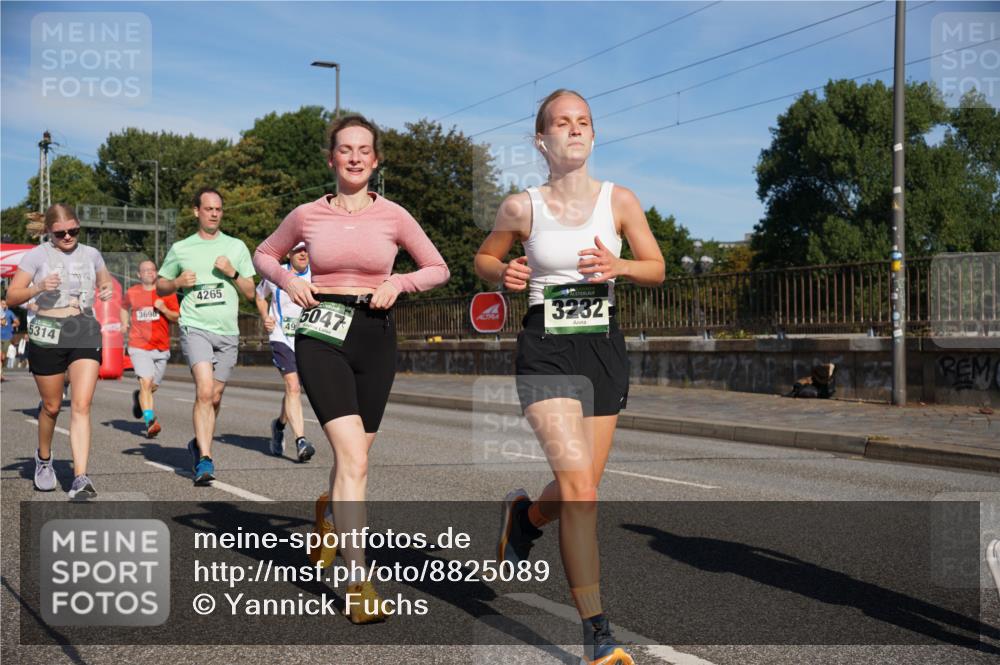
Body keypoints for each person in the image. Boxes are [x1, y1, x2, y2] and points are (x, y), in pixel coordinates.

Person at [474, 89, 665, 665]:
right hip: (546, 351)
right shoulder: (522, 206)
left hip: (603, 349)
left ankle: (524, 518)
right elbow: (484, 259)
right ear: (542, 140)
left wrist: (621, 266)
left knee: (579, 487)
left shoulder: (621, 201)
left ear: (593, 134)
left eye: (584, 122)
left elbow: (655, 268)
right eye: (563, 123)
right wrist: (501, 270)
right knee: (581, 490)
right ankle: (597, 630)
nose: (575, 130)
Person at [253, 114, 449, 624]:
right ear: (332, 158)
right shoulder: (307, 215)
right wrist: (288, 282)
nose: (356, 157)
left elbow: (438, 268)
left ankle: (329, 512)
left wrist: (399, 284)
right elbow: (264, 253)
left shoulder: (395, 216)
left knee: (357, 456)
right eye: (346, 149)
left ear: (376, 159)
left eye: (365, 149)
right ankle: (359, 580)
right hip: (321, 333)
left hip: (375, 336)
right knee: (355, 462)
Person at [5, 203, 116, 499]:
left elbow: (105, 282)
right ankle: (43, 459)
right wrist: (38, 286)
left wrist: (105, 289)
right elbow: (12, 294)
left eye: (73, 231)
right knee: (52, 406)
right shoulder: (37, 255)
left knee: (81, 405)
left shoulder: (91, 254)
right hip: (48, 333)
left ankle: (80, 477)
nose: (68, 237)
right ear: (48, 232)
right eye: (60, 233)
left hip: (84, 329)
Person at [157, 188, 256, 485]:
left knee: (215, 396)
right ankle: (205, 459)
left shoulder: (236, 247)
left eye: (218, 209)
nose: (214, 213)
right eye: (208, 208)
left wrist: (233, 273)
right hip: (195, 326)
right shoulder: (182, 248)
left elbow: (250, 292)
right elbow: (161, 286)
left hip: (227, 331)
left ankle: (197, 443)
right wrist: (176, 281)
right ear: (196, 211)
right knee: (203, 391)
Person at [254, 241, 316, 462]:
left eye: (306, 249)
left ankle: (279, 424)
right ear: (289, 252)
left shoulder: (317, 276)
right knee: (292, 385)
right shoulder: (276, 274)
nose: (302, 253)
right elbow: (259, 295)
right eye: (297, 250)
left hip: (307, 339)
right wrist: (266, 317)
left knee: (294, 390)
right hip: (281, 337)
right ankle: (301, 440)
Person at [124, 259, 180, 438]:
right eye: (145, 270)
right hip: (139, 346)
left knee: (152, 386)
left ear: (156, 273)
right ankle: (150, 421)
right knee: (146, 382)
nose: (149, 272)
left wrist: (163, 308)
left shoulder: (166, 293)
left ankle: (139, 398)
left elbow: (175, 317)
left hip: (161, 347)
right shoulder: (132, 292)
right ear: (139, 275)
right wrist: (123, 322)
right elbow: (123, 307)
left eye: (152, 270)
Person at [0, 298, 19, 381]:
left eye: (4, 304)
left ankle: (2, 372)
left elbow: (17, 322)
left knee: (3, 357)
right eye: (2, 304)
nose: (3, 305)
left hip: (7, 337)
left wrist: (12, 326)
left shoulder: (9, 313)